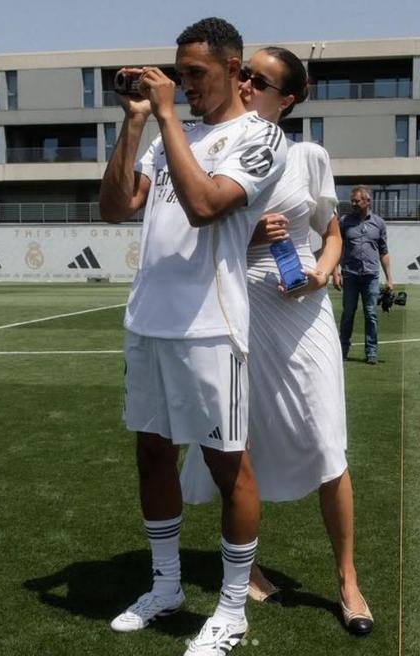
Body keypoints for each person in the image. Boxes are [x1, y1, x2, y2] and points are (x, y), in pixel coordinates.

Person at [99, 18, 287, 656]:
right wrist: (135, 124)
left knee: (228, 465)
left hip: (211, 327)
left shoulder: (260, 137)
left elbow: (206, 205)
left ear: (234, 70)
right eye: (179, 75)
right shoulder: (163, 136)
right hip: (148, 322)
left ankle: (231, 611)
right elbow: (115, 207)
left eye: (196, 74)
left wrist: (166, 117)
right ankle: (166, 585)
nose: (184, 86)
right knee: (152, 454)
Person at [180, 46, 373, 635]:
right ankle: (246, 567)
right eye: (242, 73)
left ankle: (347, 580)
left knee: (327, 442)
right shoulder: (213, 151)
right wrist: (248, 236)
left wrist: (320, 273)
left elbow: (331, 233)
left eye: (257, 79)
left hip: (303, 310)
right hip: (238, 309)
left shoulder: (308, 156)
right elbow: (193, 240)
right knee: (238, 442)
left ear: (286, 99)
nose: (243, 83)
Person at [333, 186, 393, 364]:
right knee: (348, 314)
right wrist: (335, 272)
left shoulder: (379, 223)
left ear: (368, 201)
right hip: (350, 275)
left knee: (371, 314)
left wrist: (389, 279)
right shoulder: (344, 221)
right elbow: (337, 247)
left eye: (357, 201)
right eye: (352, 200)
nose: (353, 203)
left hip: (370, 276)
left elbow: (384, 252)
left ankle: (371, 352)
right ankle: (343, 350)